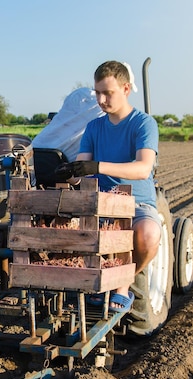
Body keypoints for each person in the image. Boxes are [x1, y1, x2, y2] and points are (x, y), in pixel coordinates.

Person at [55, 61, 161, 313]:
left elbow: (143, 168)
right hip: (99, 203)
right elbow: (82, 169)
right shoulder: (94, 127)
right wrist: (69, 173)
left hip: (136, 202)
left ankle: (124, 281)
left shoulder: (143, 124)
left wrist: (98, 167)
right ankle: (94, 279)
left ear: (125, 89)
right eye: (97, 93)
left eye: (108, 92)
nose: (101, 99)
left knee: (148, 234)